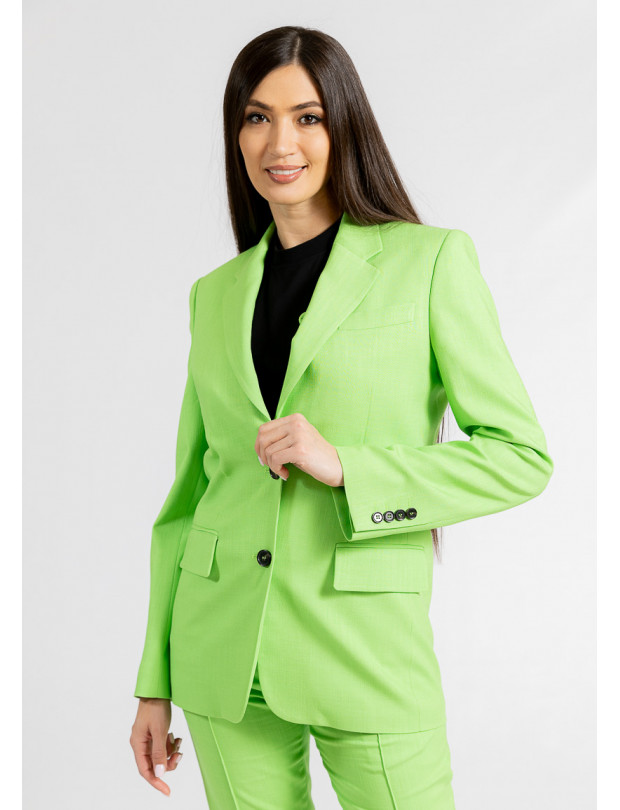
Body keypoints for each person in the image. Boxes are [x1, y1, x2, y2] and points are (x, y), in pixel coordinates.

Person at [129, 25, 554, 810]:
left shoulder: (428, 262)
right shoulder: (215, 295)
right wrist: (154, 679)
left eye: (307, 117)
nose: (279, 143)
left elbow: (519, 456)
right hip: (221, 653)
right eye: (257, 118)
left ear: (345, 126)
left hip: (368, 650)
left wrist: (349, 468)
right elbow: (188, 497)